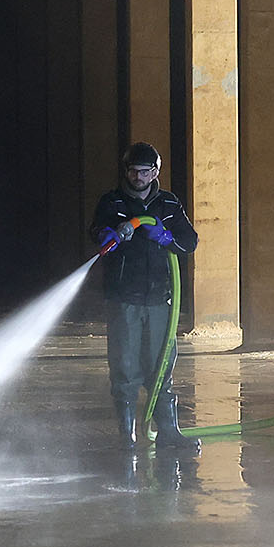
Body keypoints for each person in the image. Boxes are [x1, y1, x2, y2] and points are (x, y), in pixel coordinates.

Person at [90, 142, 199, 448]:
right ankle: (127, 435)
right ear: (126, 171)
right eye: (133, 171)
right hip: (124, 298)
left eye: (144, 171)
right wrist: (106, 235)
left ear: (155, 172)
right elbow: (96, 231)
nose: (138, 177)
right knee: (125, 366)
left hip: (159, 298)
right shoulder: (112, 203)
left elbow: (189, 243)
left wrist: (166, 237)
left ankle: (169, 431)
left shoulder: (168, 204)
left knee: (162, 362)